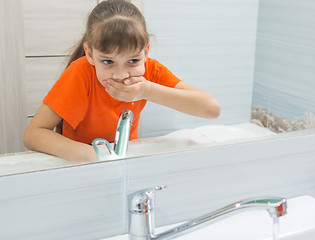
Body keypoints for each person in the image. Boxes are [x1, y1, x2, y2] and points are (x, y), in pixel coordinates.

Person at [23, 0, 220, 162]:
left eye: (133, 61)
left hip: (125, 159)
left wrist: (148, 91)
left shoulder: (150, 71)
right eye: (107, 61)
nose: (121, 74)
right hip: (81, 164)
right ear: (90, 54)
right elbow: (33, 134)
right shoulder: (81, 73)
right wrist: (93, 156)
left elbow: (211, 109)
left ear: (146, 52)